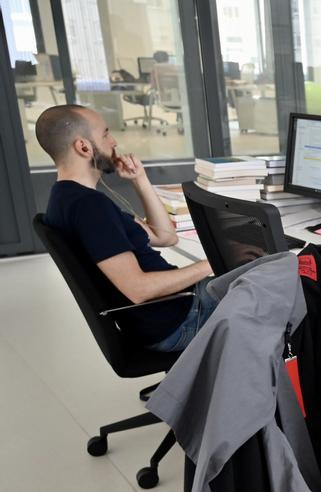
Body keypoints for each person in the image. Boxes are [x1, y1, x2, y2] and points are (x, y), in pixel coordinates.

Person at [37, 104, 214, 352]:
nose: (114, 141)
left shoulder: (66, 197)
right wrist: (214, 263)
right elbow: (138, 289)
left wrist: (139, 180)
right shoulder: (90, 208)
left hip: (173, 309)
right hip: (180, 319)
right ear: (83, 147)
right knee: (274, 282)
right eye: (106, 133)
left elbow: (166, 237)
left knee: (257, 276)